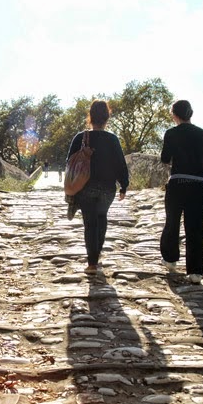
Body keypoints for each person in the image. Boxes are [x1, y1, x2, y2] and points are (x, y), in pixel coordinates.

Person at [66, 99, 129, 274]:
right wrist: (124, 186)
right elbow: (120, 164)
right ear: (107, 117)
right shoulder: (113, 139)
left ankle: (92, 263)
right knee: (101, 220)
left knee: (90, 223)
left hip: (85, 187)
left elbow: (69, 162)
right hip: (108, 189)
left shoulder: (81, 137)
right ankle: (97, 256)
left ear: (90, 117)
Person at [159, 99, 203, 284]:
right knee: (195, 227)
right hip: (198, 185)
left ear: (174, 114)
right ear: (191, 113)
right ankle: (195, 272)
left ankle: (171, 260)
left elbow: (165, 159)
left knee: (172, 222)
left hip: (177, 183)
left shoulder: (171, 133)